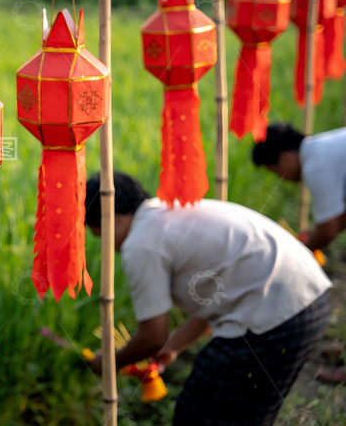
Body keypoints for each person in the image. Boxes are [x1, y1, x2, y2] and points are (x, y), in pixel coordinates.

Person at [84, 172, 332, 425]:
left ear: (112, 220)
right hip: (310, 303)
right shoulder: (175, 210)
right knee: (245, 415)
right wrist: (172, 346)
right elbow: (212, 304)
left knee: (198, 415)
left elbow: (152, 337)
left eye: (100, 235)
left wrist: (108, 362)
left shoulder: (141, 242)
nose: (108, 246)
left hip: (279, 317)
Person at [252, 123, 346, 252]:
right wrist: (312, 235)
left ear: (284, 159)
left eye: (276, 171)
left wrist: (297, 252)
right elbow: (337, 220)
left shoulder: (315, 166)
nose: (281, 178)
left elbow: (327, 232)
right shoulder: (321, 147)